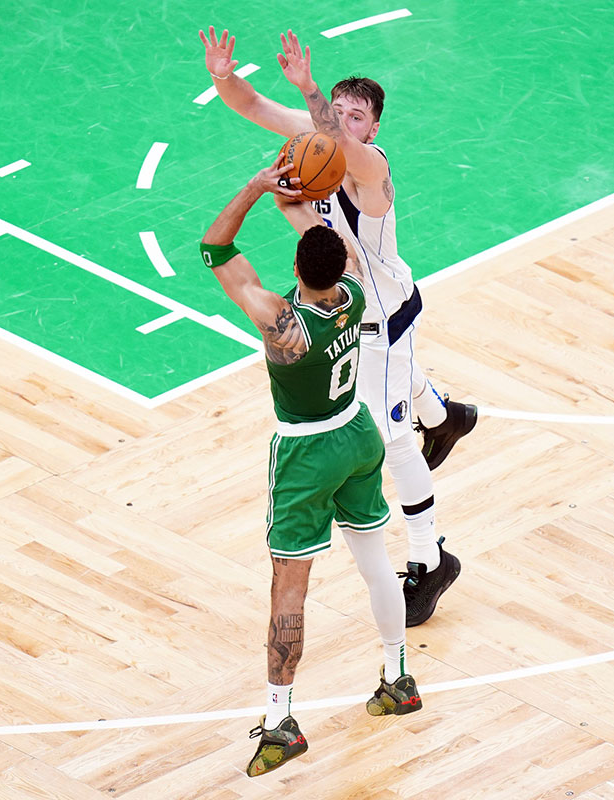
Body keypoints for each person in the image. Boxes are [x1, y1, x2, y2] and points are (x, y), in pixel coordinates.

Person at [199, 26, 475, 626]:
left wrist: (313, 93)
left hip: (386, 318)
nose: (343, 122)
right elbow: (249, 104)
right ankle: (443, 415)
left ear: (373, 129)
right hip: (356, 309)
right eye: (338, 113)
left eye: (357, 116)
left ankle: (431, 561)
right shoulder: (316, 139)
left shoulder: (373, 171)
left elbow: (338, 151)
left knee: (391, 441)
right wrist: (223, 74)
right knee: (398, 412)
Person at [202, 162, 422, 777]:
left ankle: (280, 721)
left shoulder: (283, 325)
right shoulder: (353, 289)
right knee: (376, 564)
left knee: (289, 588)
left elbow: (214, 249)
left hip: (305, 452)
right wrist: (301, 203)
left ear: (298, 270)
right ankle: (398, 676)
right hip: (358, 432)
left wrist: (255, 188)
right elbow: (337, 246)